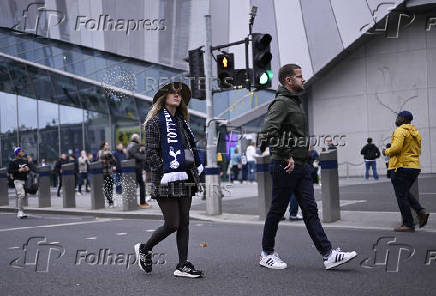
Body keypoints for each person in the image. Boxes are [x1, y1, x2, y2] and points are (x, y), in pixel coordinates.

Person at [258, 64, 357, 270]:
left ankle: (328, 254)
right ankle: (266, 253)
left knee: (310, 210)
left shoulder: (295, 102)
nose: (303, 79)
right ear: (288, 80)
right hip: (285, 165)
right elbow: (268, 131)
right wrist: (286, 154)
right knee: (277, 210)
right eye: (299, 76)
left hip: (301, 166)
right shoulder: (282, 103)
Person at [134, 82, 204, 278]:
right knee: (172, 224)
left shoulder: (183, 123)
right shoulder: (155, 122)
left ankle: (182, 265)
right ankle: (145, 248)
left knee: (184, 223)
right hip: (165, 179)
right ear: (163, 97)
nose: (177, 95)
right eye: (172, 93)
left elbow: (190, 150)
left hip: (185, 177)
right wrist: (165, 171)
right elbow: (151, 154)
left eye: (179, 94)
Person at [383, 111, 429, 232]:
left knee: (401, 196)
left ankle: (408, 224)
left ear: (403, 119)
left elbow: (397, 148)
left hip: (400, 167)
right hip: (414, 167)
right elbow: (417, 150)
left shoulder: (400, 130)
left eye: (398, 117)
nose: (396, 119)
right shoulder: (416, 133)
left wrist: (386, 151)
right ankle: (421, 211)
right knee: (404, 192)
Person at [127, 134, 151, 208]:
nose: (139, 140)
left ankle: (134, 203)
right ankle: (142, 202)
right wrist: (145, 156)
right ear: (136, 139)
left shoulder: (131, 145)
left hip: (134, 168)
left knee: (135, 185)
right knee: (141, 185)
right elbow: (136, 155)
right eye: (139, 139)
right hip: (136, 168)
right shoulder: (134, 145)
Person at [8, 148, 30, 219]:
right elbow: (10, 171)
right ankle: (20, 211)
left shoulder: (24, 161)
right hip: (17, 180)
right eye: (21, 151)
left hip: (24, 180)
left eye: (22, 151)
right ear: (17, 153)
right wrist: (18, 170)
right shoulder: (13, 162)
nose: (22, 152)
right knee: (21, 194)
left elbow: (28, 170)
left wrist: (27, 169)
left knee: (22, 196)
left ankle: (22, 211)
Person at [98, 142, 117, 208]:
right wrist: (109, 158)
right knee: (106, 187)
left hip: (110, 172)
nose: (107, 146)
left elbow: (114, 161)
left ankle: (110, 201)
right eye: (106, 145)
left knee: (110, 187)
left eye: (108, 145)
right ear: (103, 146)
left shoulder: (109, 152)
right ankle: (110, 201)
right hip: (104, 172)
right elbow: (101, 160)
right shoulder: (101, 152)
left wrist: (110, 158)